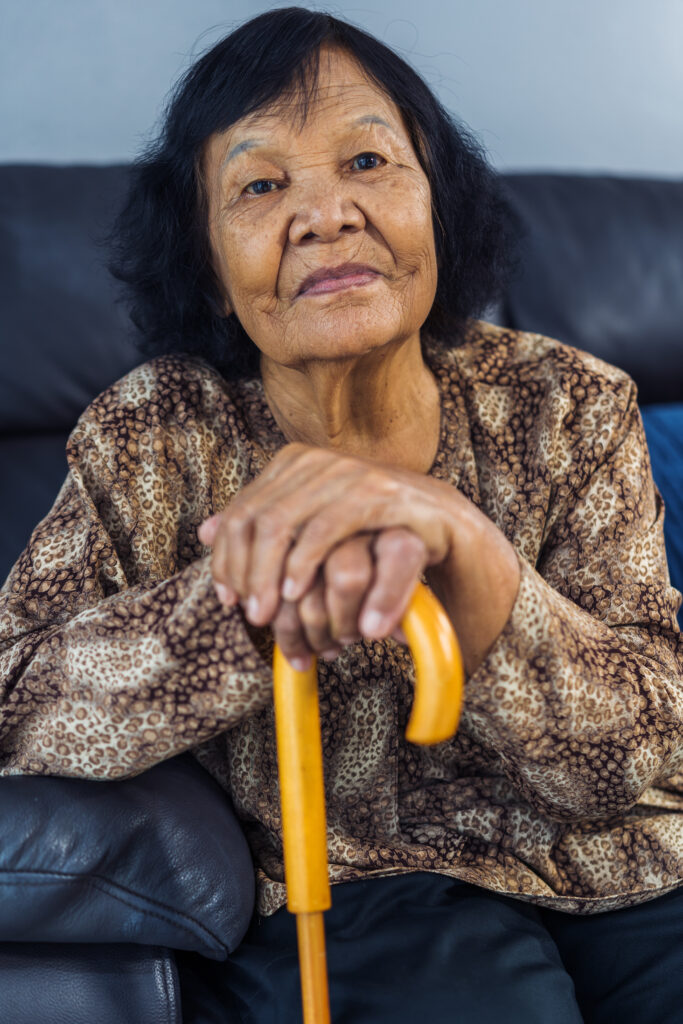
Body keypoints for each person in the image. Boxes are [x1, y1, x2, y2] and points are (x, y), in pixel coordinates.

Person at [1, 8, 682, 1023]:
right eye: (261, 184)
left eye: (366, 160)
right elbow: (18, 703)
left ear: (436, 212)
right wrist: (242, 600)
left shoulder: (569, 404)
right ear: (210, 269)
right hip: (355, 890)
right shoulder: (150, 434)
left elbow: (644, 744)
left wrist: (477, 566)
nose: (324, 214)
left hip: (625, 867)